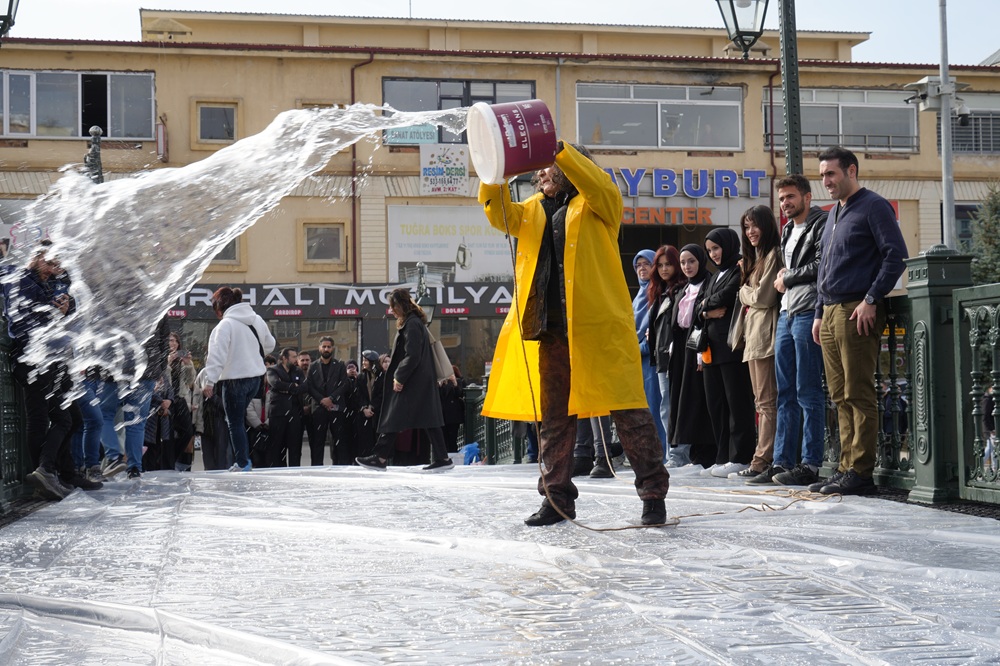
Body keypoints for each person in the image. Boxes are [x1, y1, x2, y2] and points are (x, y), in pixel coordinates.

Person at [475, 141, 670, 526]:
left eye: (547, 167)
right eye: (538, 170)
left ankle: (653, 495)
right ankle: (556, 500)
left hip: (599, 328)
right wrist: (492, 172)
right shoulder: (531, 209)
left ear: (571, 166)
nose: (538, 175)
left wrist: (557, 149)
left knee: (630, 413)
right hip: (551, 332)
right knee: (554, 420)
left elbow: (596, 183)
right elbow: (498, 214)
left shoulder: (600, 202)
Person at [811, 146, 908, 495]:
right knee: (838, 394)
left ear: (851, 171)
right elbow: (825, 267)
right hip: (832, 311)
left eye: (831, 173)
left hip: (857, 309)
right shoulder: (833, 213)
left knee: (858, 390)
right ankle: (844, 467)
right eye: (822, 175)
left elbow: (896, 256)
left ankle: (861, 472)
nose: (826, 181)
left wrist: (871, 299)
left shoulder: (874, 206)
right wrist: (820, 312)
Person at [3, 241, 99, 499]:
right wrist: (53, 308)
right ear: (35, 257)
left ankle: (61, 473)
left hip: (53, 358)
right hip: (33, 358)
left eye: (57, 265)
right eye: (49, 263)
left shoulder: (47, 283)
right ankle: (45, 472)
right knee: (53, 419)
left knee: (74, 418)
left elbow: (58, 313)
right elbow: (26, 314)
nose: (53, 269)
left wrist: (66, 308)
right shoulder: (20, 277)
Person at [769, 175, 829, 487]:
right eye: (781, 199)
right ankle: (781, 461)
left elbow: (822, 263)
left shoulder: (821, 222)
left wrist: (788, 278)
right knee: (785, 393)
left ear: (806, 196)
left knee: (808, 391)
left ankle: (810, 463)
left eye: (790, 197)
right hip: (785, 314)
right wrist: (786, 276)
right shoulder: (788, 230)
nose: (785, 203)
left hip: (808, 313)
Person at [356, 288, 454, 473]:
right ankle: (442, 458)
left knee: (394, 415)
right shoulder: (415, 323)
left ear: (401, 305)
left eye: (393, 306)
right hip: (419, 382)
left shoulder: (411, 324)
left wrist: (399, 376)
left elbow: (413, 355)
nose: (391, 310)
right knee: (428, 419)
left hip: (412, 382)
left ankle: (380, 457)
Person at [698, 228, 757, 479]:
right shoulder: (713, 276)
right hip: (711, 349)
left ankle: (740, 456)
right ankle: (722, 456)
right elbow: (702, 303)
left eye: (716, 248)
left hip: (732, 348)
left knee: (737, 403)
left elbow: (729, 295)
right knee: (717, 405)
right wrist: (707, 310)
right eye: (710, 250)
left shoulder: (738, 269)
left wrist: (705, 304)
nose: (714, 254)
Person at [201, 286, 276, 472]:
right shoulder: (256, 319)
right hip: (255, 379)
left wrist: (209, 381)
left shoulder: (225, 326)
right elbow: (270, 344)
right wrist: (251, 355)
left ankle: (243, 463)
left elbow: (216, 355)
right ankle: (245, 459)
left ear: (220, 308)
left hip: (234, 380)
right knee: (239, 421)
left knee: (234, 422)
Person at [736, 205, 784, 485]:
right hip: (754, 337)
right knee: (761, 402)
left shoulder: (773, 255)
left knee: (766, 402)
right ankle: (762, 458)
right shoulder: (756, 259)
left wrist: (744, 291)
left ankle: (762, 460)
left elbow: (764, 297)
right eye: (746, 226)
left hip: (766, 336)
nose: (751, 231)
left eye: (755, 225)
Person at [669, 245, 715, 469]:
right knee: (685, 400)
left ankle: (707, 451)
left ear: (700, 261)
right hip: (682, 350)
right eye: (683, 262)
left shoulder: (709, 284)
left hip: (701, 348)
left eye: (691, 262)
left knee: (701, 399)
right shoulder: (683, 289)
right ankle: (694, 450)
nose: (687, 267)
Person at [647, 245, 685, 464]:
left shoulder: (681, 289)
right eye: (660, 265)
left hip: (676, 356)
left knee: (674, 405)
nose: (664, 269)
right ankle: (672, 453)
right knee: (665, 405)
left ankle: (678, 454)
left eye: (668, 264)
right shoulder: (657, 292)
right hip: (661, 357)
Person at [632, 249, 666, 450]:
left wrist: (642, 346)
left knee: (656, 407)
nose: (642, 269)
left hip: (651, 357)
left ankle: (659, 453)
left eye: (646, 264)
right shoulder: (639, 295)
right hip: (636, 359)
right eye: (638, 265)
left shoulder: (657, 292)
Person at [305, 336, 349, 466]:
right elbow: (310, 386)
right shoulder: (312, 366)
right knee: (318, 441)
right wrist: (322, 400)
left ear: (333, 348)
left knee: (339, 440)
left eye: (328, 346)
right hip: (319, 408)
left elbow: (344, 385)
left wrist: (331, 398)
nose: (326, 349)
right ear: (319, 348)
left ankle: (340, 466)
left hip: (336, 408)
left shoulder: (340, 365)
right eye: (323, 346)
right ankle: (317, 468)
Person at [265, 348, 306, 467]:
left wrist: (286, 388)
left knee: (295, 447)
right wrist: (293, 386)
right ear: (284, 358)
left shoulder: (297, 371)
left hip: (295, 413)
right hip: (278, 414)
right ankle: (278, 471)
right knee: (277, 447)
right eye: (293, 357)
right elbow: (275, 383)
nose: (296, 359)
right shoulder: (273, 370)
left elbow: (304, 387)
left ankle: (295, 472)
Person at [295, 351, 315, 467]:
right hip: (297, 413)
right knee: (296, 444)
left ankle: (315, 468)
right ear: (298, 362)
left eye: (307, 360)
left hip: (312, 413)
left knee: (315, 443)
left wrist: (310, 407)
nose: (305, 362)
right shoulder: (294, 375)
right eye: (302, 360)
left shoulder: (315, 374)